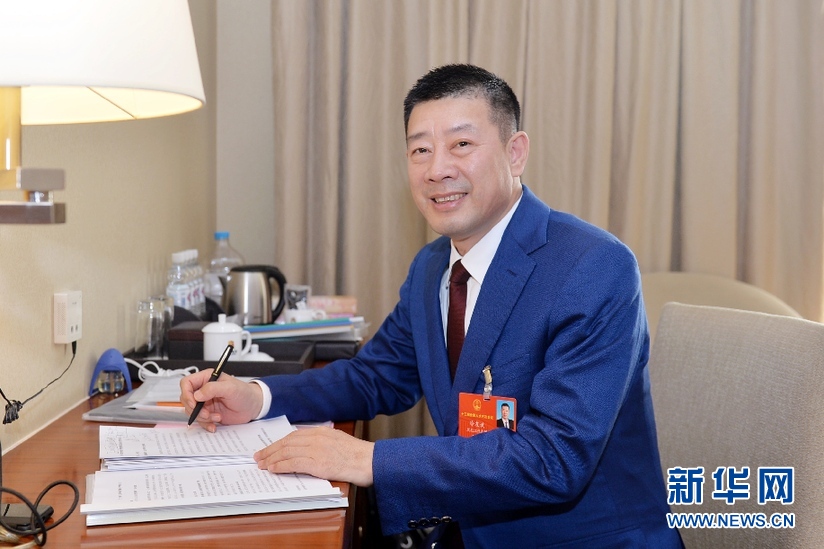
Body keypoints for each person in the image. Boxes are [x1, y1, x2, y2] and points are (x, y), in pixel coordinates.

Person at [181, 64, 683, 548]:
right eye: (420, 150)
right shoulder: (431, 267)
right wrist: (257, 397)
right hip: (465, 526)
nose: (438, 169)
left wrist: (369, 460)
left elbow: (553, 459)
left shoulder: (594, 267)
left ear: (515, 153)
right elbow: (376, 377)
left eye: (461, 145)